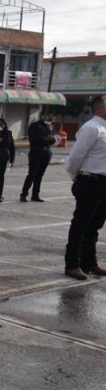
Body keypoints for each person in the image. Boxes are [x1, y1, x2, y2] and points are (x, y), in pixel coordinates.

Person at [63, 96, 106, 280]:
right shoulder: (91, 128)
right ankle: (72, 264)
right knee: (80, 225)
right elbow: (74, 159)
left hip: (103, 183)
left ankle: (90, 262)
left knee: (95, 225)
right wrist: (77, 179)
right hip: (90, 181)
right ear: (99, 109)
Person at [20, 110, 57, 202]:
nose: (52, 117)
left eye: (53, 116)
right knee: (32, 174)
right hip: (36, 152)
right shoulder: (35, 125)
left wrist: (52, 139)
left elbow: (53, 140)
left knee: (40, 175)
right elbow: (32, 138)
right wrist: (44, 138)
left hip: (46, 152)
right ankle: (24, 194)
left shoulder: (51, 126)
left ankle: (35, 194)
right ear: (45, 115)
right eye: (51, 115)